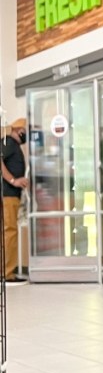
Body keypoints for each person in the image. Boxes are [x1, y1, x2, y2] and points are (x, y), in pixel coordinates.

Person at [2, 118, 29, 284]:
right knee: (10, 232)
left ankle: (4, 272)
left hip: (8, 194)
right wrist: (13, 180)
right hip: (8, 195)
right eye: (25, 131)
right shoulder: (9, 143)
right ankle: (8, 274)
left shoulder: (11, 144)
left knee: (6, 232)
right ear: (19, 129)